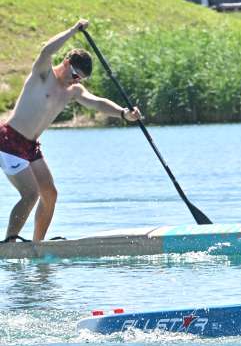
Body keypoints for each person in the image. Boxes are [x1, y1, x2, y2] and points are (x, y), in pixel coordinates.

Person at [0, 19, 141, 242]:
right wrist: (73, 30)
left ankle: (38, 244)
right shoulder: (43, 74)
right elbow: (46, 50)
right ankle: (9, 243)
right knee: (30, 194)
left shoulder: (73, 91)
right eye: (75, 74)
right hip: (8, 141)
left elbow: (97, 103)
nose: (76, 80)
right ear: (66, 62)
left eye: (81, 79)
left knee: (50, 194)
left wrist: (124, 113)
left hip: (30, 146)